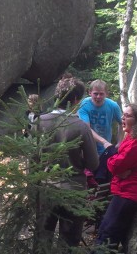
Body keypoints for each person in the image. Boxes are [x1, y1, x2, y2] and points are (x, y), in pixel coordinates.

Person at [39, 74, 100, 249]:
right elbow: (93, 164)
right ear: (75, 100)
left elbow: (32, 158)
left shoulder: (39, 122)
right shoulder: (81, 126)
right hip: (74, 190)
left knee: (43, 236)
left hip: (45, 187)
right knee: (68, 241)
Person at [94, 103, 137, 252]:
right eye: (123, 115)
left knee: (107, 236)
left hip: (129, 194)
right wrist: (119, 167)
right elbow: (119, 165)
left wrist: (115, 162)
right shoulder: (132, 138)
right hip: (125, 191)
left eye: (127, 115)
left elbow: (114, 165)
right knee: (107, 232)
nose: (122, 118)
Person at [78, 79, 123, 155]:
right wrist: (103, 141)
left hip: (105, 146)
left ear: (106, 94)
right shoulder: (85, 104)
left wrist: (120, 142)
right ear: (90, 93)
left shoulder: (113, 106)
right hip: (87, 145)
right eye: (95, 94)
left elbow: (122, 123)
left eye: (101, 94)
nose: (98, 97)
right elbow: (86, 128)